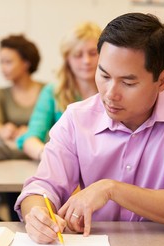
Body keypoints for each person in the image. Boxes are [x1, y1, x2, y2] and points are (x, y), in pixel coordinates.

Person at [15, 12, 164, 244]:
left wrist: (111, 189)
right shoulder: (77, 118)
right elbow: (42, 187)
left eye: (128, 83)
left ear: (163, 81)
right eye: (104, 75)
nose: (110, 94)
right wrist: (36, 213)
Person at [16, 22, 102, 160]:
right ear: (67, 59)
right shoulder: (52, 92)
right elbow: (30, 139)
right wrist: (49, 156)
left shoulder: (113, 91)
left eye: (93, 53)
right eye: (78, 55)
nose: (86, 61)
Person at [0, 34, 44, 145]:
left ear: (26, 63)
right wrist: (3, 130)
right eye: (1, 62)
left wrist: (34, 132)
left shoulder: (49, 91)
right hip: (11, 150)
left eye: (8, 62)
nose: (2, 68)